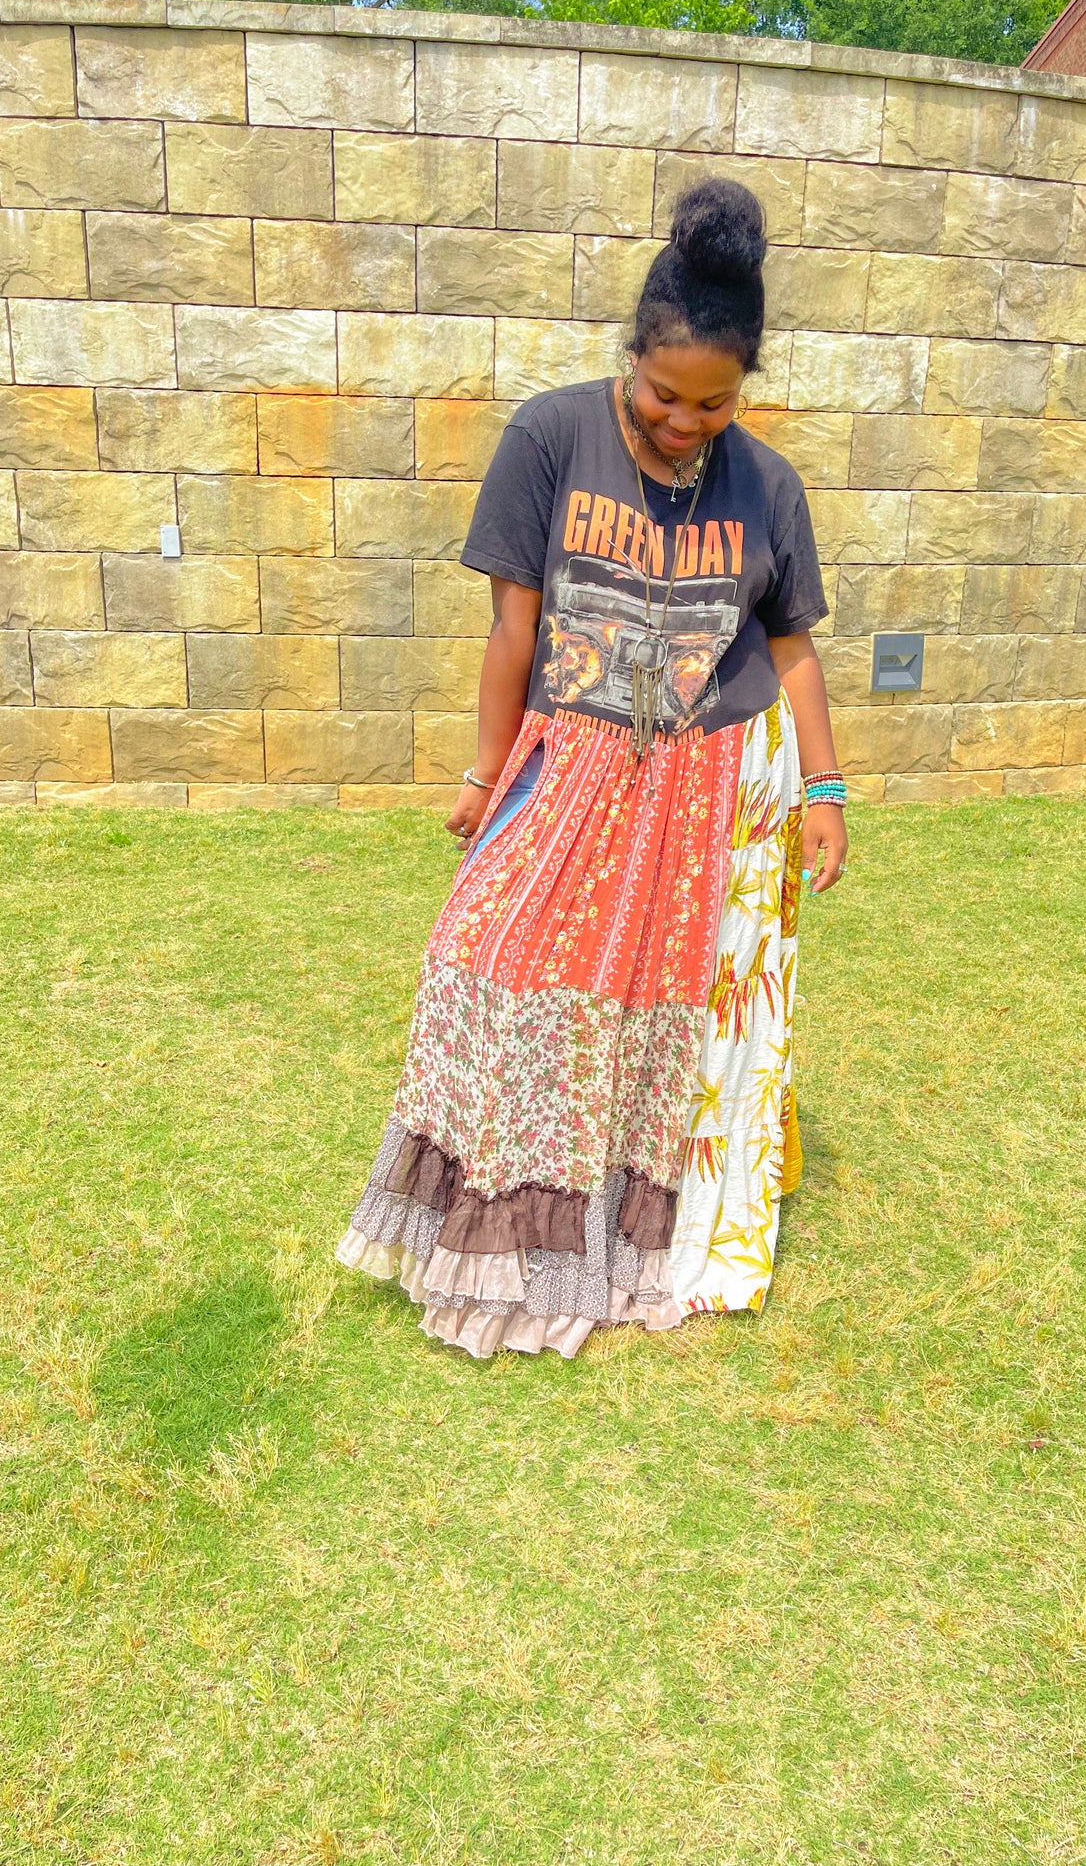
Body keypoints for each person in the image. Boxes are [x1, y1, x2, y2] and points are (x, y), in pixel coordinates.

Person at [336, 177, 849, 1359]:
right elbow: (512, 628)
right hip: (569, 764)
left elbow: (791, 649)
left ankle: (635, 1234)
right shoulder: (550, 436)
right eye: (665, 394)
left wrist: (824, 791)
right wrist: (485, 776)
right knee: (487, 960)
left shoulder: (767, 485)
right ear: (631, 354)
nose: (684, 421)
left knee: (663, 1021)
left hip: (717, 783)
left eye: (714, 403)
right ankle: (501, 1228)